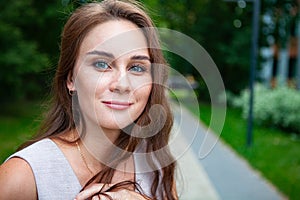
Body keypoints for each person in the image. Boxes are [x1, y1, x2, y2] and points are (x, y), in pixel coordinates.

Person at [0, 0, 178, 199]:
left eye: (136, 67)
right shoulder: (23, 176)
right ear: (71, 79)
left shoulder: (154, 164)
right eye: (101, 64)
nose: (122, 84)